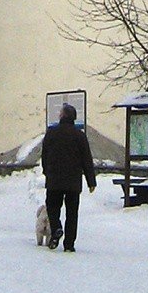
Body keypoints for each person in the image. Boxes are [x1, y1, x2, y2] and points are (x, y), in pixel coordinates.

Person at [41, 103, 96, 252]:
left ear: (62, 116)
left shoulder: (51, 132)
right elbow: (86, 159)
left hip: (54, 180)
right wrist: (91, 181)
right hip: (73, 181)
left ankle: (56, 229)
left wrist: (47, 172)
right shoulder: (80, 135)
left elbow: (44, 155)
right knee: (72, 212)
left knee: (52, 207)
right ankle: (69, 244)